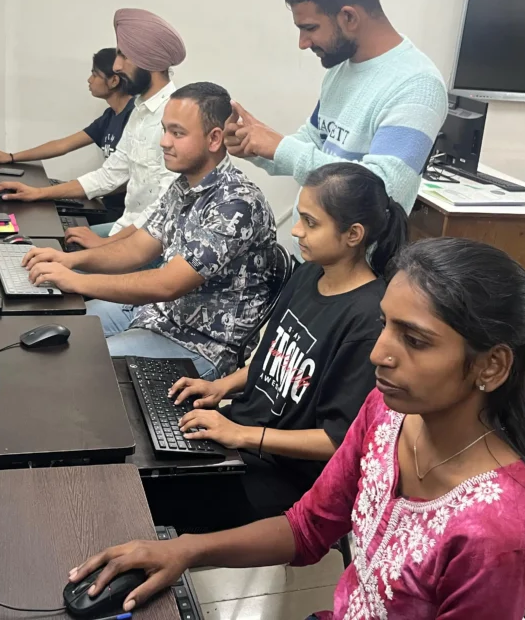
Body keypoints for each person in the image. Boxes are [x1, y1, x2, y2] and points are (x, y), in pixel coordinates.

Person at [68, 237, 525, 620]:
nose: (379, 353)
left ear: (491, 366)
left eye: (415, 340)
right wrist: (184, 551)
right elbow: (307, 527)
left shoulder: (493, 533)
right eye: (385, 325)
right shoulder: (386, 414)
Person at [147, 163, 408, 531]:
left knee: (149, 496)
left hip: (286, 474)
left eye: (310, 222)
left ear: (353, 234)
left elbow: (340, 441)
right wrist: (221, 387)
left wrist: (241, 435)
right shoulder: (308, 274)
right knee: (144, 454)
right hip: (244, 440)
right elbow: (271, 358)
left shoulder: (368, 320)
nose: (296, 230)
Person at [22, 82, 277, 381]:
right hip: (158, 314)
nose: (164, 142)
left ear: (214, 139)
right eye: (165, 130)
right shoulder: (183, 186)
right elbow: (137, 249)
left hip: (198, 343)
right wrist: (70, 262)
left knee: (77, 364)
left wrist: (77, 281)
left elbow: (167, 284)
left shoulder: (236, 204)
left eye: (177, 133)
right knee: (53, 331)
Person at [224, 0, 448, 212]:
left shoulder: (418, 85)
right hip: (310, 251)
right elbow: (314, 140)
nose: (302, 43)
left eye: (310, 28)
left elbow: (380, 190)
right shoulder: (340, 69)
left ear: (349, 17)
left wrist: (282, 147)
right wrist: (257, 145)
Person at [0, 9, 185, 246]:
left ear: (149, 60)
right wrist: (36, 193)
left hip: (150, 243)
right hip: (126, 229)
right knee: (48, 245)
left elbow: (162, 210)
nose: (117, 66)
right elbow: (109, 175)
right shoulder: (140, 110)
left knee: (56, 258)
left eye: (124, 56)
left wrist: (104, 246)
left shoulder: (176, 117)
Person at [0, 47, 134, 216]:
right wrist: (11, 156)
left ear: (114, 81)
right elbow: (62, 145)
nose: (89, 80)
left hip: (121, 214)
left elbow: (121, 180)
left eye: (95, 74)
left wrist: (42, 192)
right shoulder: (111, 116)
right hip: (105, 203)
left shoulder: (134, 118)